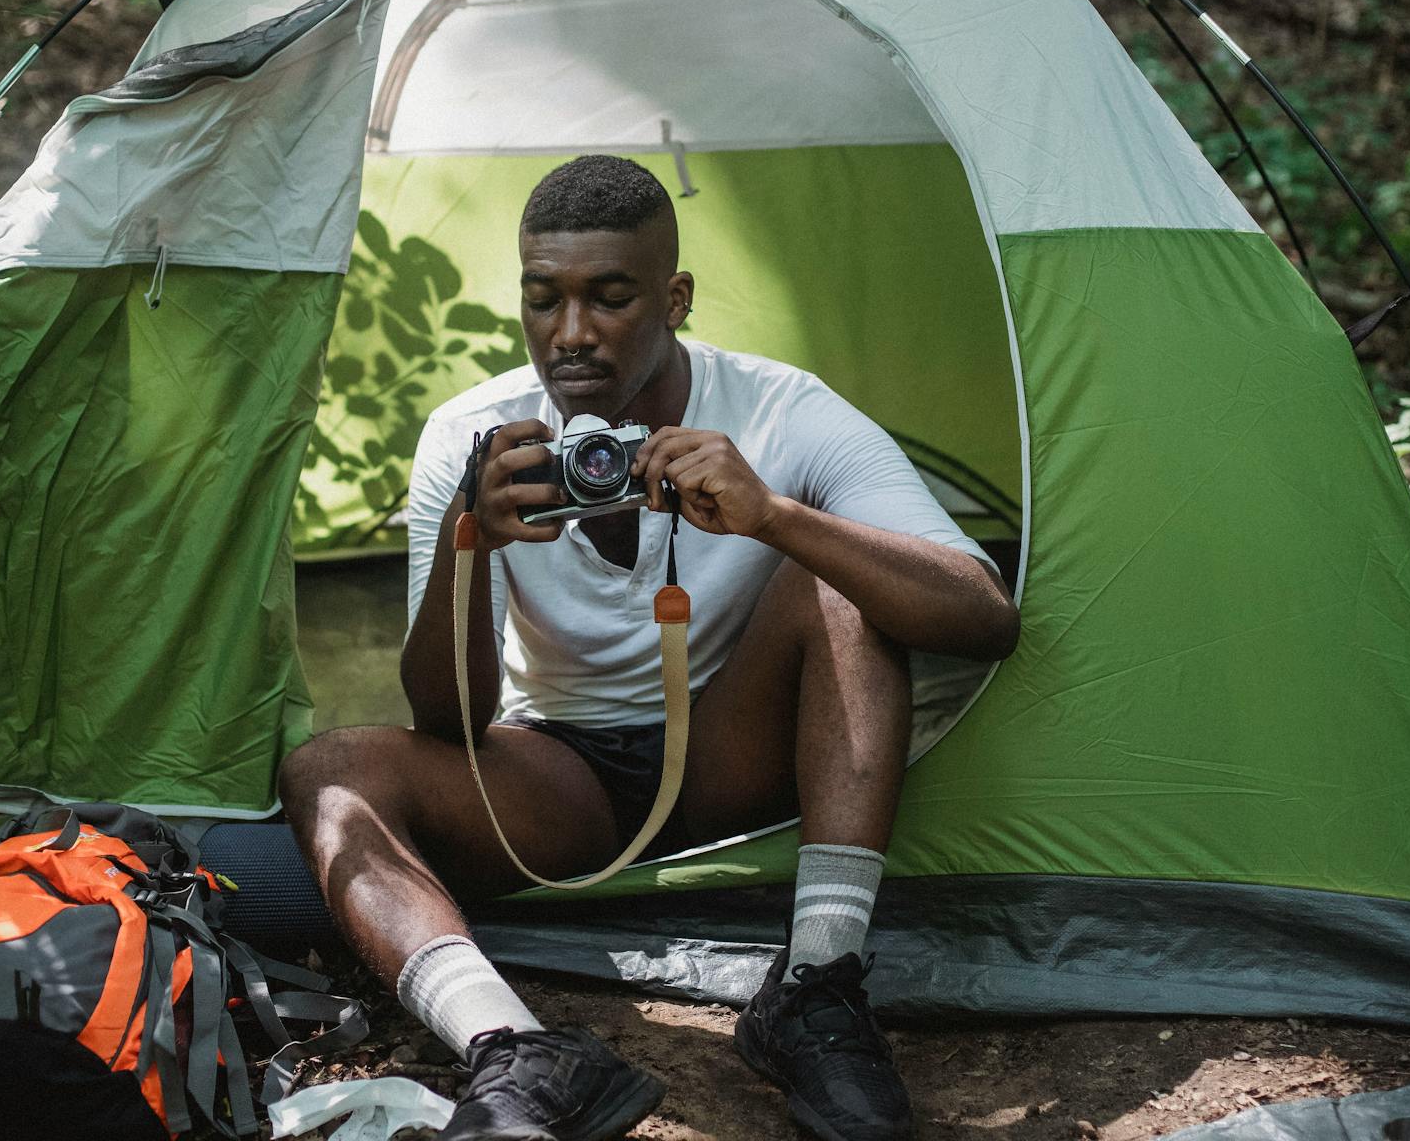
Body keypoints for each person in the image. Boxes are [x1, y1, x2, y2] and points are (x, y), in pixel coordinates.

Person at [280, 155, 1018, 1141]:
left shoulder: (780, 411)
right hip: (563, 779)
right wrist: (471, 538)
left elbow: (983, 611)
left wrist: (777, 517)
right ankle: (512, 1045)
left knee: (841, 579)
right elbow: (444, 720)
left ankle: (817, 986)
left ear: (674, 297)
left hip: (733, 752)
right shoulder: (475, 436)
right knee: (327, 769)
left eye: (610, 296)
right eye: (542, 299)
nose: (570, 332)